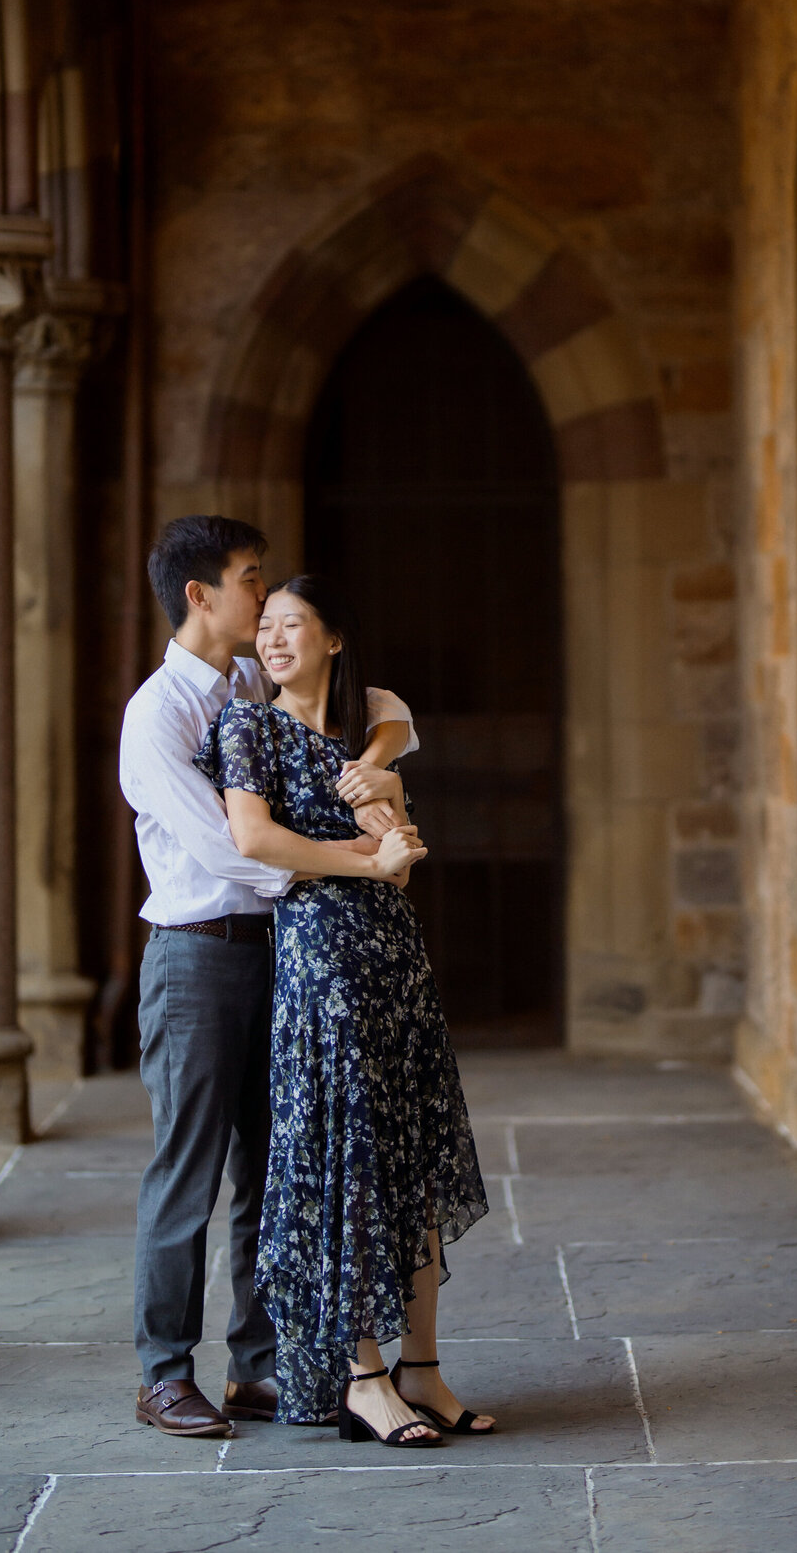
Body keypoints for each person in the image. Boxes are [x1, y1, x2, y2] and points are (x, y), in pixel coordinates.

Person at [119, 516, 418, 1438]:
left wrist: (365, 771)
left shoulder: (255, 681)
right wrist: (361, 859)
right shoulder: (158, 713)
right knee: (189, 1171)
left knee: (270, 1166)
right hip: (200, 956)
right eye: (252, 580)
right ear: (200, 595)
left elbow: (391, 710)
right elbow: (231, 847)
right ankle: (165, 1373)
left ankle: (257, 1368)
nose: (267, 598)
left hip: (282, 954)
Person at [194, 574, 495, 1447]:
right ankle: (363, 1376)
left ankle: (424, 1370)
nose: (274, 640)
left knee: (412, 1152)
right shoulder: (248, 724)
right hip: (322, 955)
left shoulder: (372, 740)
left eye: (294, 626)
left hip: (394, 953)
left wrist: (391, 835)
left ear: (333, 639)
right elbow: (252, 837)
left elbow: (400, 857)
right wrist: (365, 860)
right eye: (268, 628)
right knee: (349, 1158)